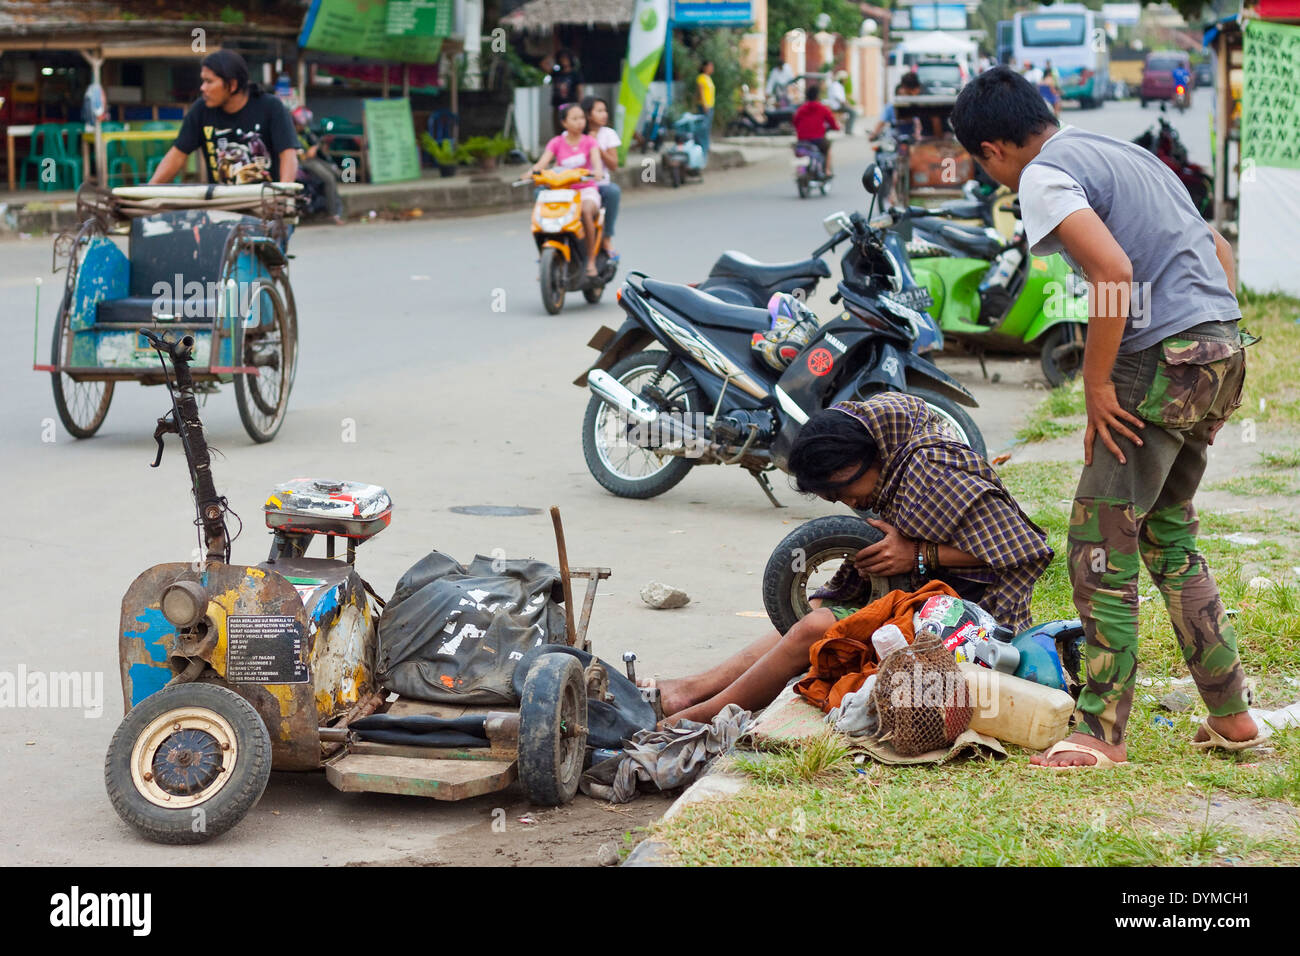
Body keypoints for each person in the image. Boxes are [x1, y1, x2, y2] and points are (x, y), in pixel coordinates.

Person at [950, 66, 1262, 768]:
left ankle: (1099, 733)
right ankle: (1232, 716)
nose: (991, 175)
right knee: (1167, 533)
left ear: (994, 148)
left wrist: (1097, 383)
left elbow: (1113, 271)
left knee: (1100, 543)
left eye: (981, 163)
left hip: (1161, 358)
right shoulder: (1124, 152)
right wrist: (1211, 340)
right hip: (1221, 350)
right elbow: (1218, 250)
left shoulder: (1041, 174)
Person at [644, 392, 1053, 726]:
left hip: (973, 625)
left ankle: (697, 715)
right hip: (925, 597)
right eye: (835, 498)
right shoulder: (887, 450)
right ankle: (690, 691)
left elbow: (1026, 548)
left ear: (866, 459)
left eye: (845, 490)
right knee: (815, 610)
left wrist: (919, 554)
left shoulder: (931, 470)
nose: (850, 503)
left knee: (818, 628)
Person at [149, 49, 297, 187]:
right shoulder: (201, 110)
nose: (202, 88)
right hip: (222, 205)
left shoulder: (271, 107)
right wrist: (147, 192)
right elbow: (177, 155)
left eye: (209, 81)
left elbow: (288, 155)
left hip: (265, 202)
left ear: (232, 85)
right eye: (203, 81)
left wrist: (283, 197)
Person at [531, 102, 604, 278]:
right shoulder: (556, 142)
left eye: (581, 118)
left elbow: (596, 163)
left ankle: (591, 260)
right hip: (562, 193)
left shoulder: (589, 142)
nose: (580, 122)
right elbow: (542, 164)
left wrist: (597, 172)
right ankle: (544, 260)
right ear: (564, 123)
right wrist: (530, 174)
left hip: (586, 191)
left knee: (586, 211)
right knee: (541, 216)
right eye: (574, 118)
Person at [581, 94, 620, 260]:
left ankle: (606, 238)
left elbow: (613, 165)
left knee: (613, 192)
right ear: (588, 114)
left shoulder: (608, 134)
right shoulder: (573, 134)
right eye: (599, 111)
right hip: (576, 185)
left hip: (600, 184)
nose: (604, 114)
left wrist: (596, 145)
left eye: (605, 110)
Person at [291, 106, 344, 225]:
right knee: (329, 179)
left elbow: (315, 144)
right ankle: (333, 214)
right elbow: (303, 156)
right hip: (303, 163)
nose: (303, 127)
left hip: (313, 160)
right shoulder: (291, 134)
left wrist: (316, 147)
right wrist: (309, 152)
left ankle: (334, 208)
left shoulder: (306, 132)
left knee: (336, 172)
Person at [793, 81, 840, 175]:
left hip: (802, 140)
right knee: (827, 148)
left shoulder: (801, 109)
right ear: (817, 96)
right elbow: (832, 122)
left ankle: (802, 171)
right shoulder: (822, 108)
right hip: (817, 139)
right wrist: (836, 128)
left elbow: (795, 122)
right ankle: (827, 170)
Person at [870, 72, 923, 141]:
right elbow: (881, 122)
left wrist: (917, 134)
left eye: (906, 94)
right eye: (900, 95)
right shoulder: (890, 106)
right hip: (895, 139)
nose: (903, 97)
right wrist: (874, 134)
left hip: (911, 138)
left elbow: (917, 123)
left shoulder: (914, 105)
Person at [549, 50, 583, 136]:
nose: (564, 61)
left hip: (571, 104)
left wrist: (580, 104)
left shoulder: (575, 74)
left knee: (571, 126)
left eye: (566, 59)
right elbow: (543, 64)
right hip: (558, 104)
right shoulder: (556, 73)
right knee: (558, 126)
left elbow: (579, 90)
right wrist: (552, 55)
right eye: (562, 59)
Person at [695, 60, 716, 155]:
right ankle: (702, 147)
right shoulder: (701, 78)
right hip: (704, 106)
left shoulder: (708, 78)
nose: (711, 68)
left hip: (710, 106)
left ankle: (706, 147)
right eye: (710, 66)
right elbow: (701, 93)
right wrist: (704, 105)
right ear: (704, 67)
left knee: (707, 127)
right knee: (703, 128)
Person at [826, 70, 856, 135]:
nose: (846, 81)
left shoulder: (839, 86)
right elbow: (840, 99)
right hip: (836, 106)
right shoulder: (836, 85)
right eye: (845, 79)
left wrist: (849, 104)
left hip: (839, 105)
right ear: (841, 79)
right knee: (853, 113)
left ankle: (847, 129)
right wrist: (848, 105)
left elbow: (843, 98)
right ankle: (848, 130)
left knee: (851, 111)